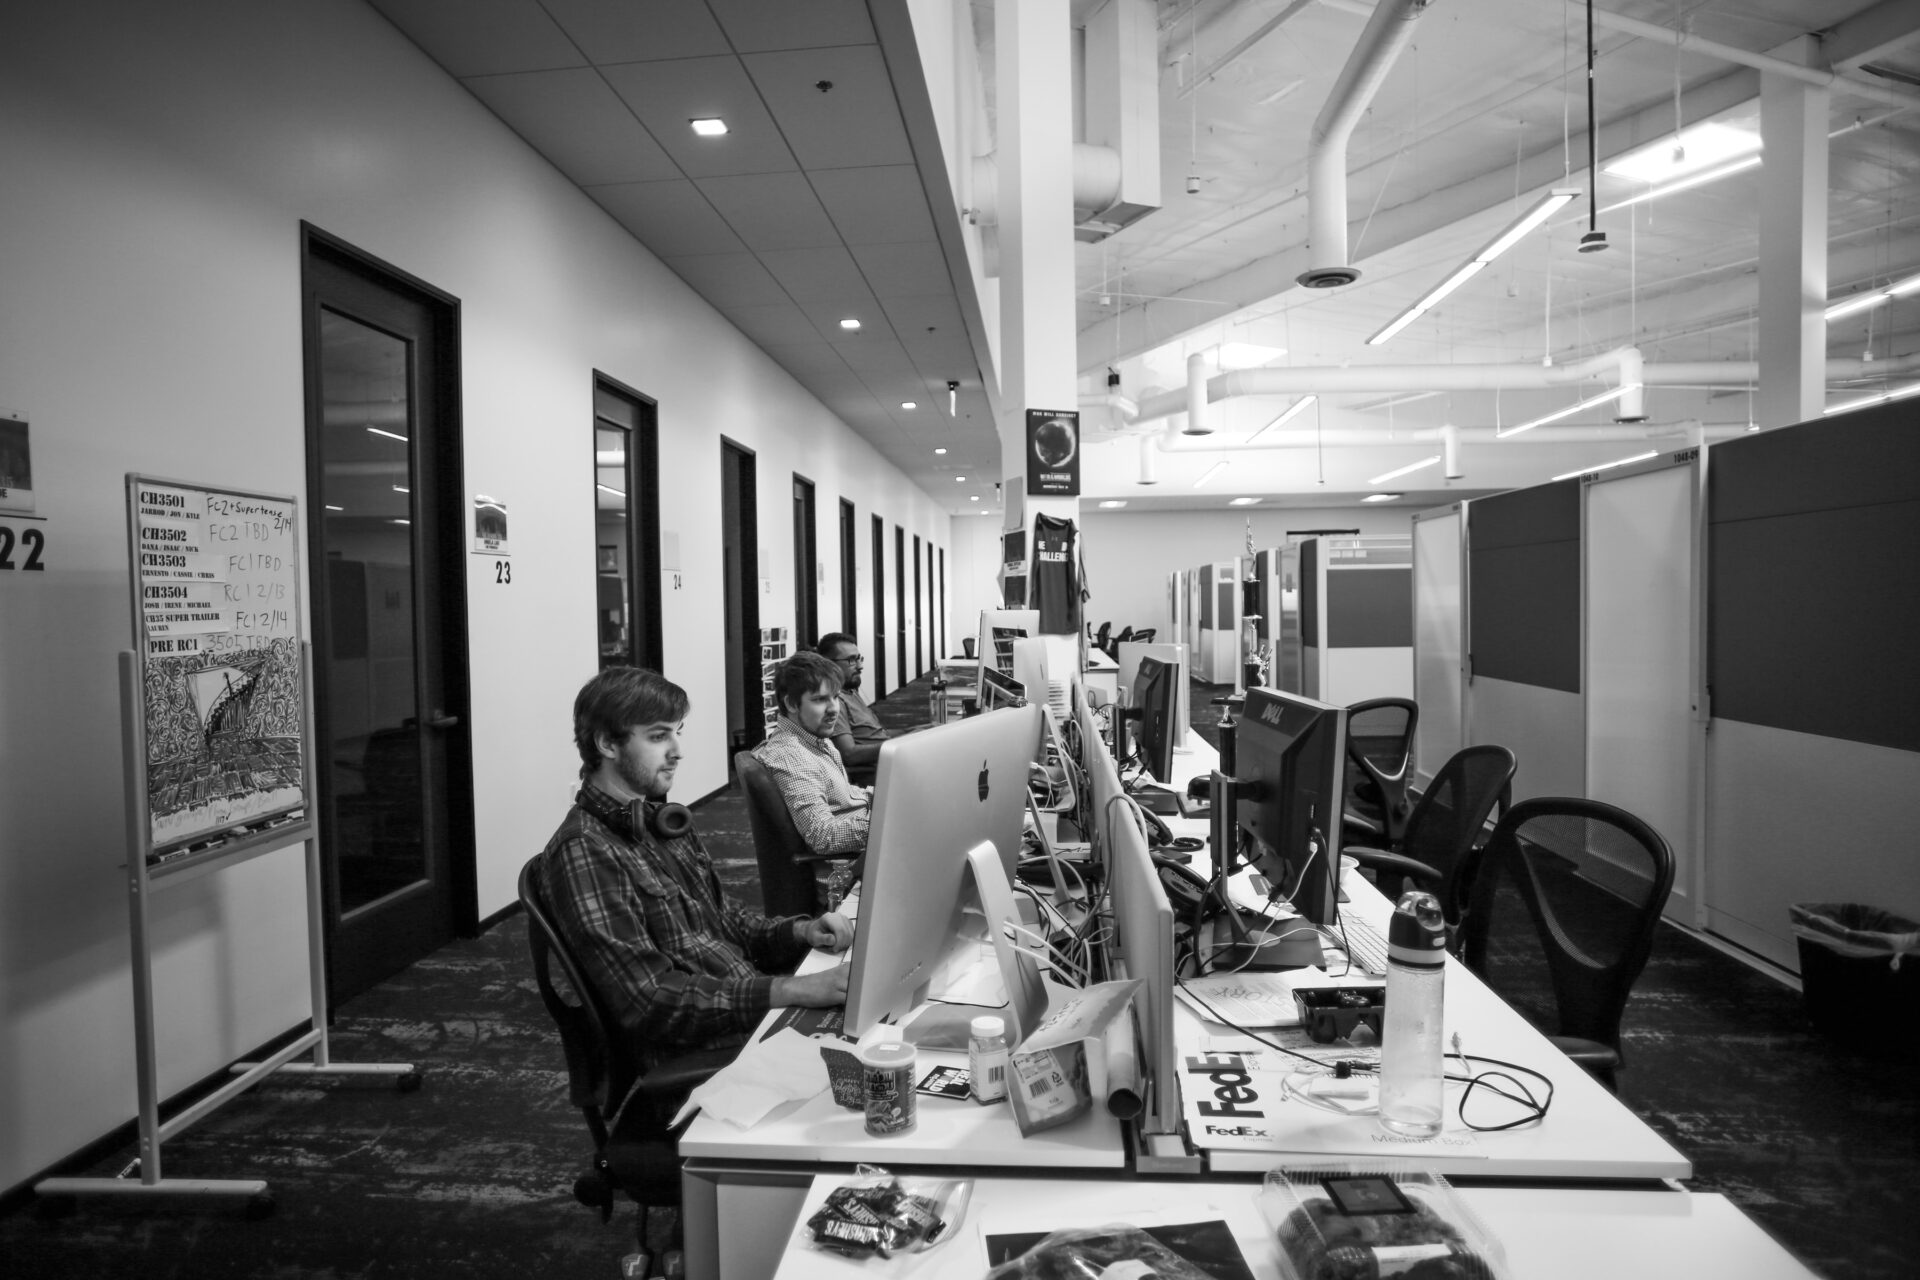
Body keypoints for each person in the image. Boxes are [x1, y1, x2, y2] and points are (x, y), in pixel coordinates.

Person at [539, 667, 850, 1074]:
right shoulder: (585, 851)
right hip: (711, 1055)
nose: (676, 750)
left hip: (750, 1011)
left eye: (676, 732)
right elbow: (649, 1000)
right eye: (657, 736)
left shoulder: (660, 823)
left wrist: (802, 931)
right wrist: (789, 989)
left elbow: (726, 922)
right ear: (606, 743)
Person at [814, 632, 888, 784]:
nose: (860, 666)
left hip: (890, 760)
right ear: (829, 664)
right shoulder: (836, 701)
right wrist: (900, 744)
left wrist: (911, 733)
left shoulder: (851, 691)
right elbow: (849, 754)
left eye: (859, 658)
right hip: (878, 774)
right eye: (851, 660)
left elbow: (873, 734)